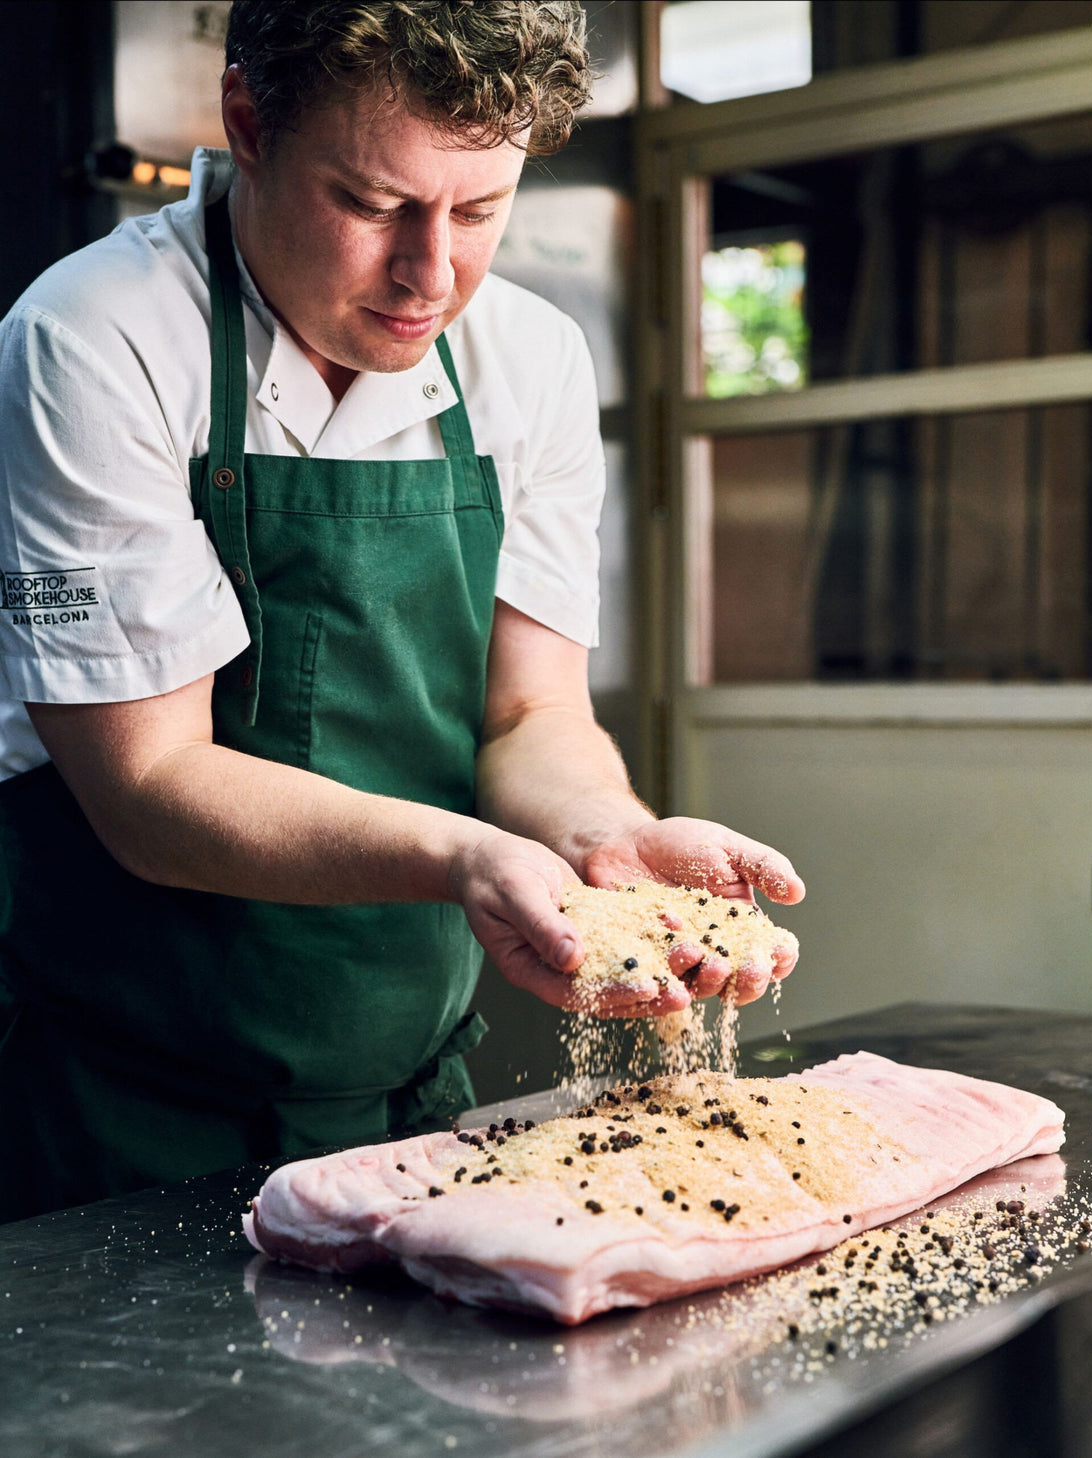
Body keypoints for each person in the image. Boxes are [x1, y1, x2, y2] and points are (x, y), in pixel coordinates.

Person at [0, 0, 803, 1222]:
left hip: (410, 1096)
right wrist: (468, 857)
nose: (432, 275)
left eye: (479, 212)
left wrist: (602, 841)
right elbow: (148, 788)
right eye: (376, 205)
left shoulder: (527, 361)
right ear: (248, 123)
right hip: (117, 1104)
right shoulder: (97, 339)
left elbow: (530, 713)